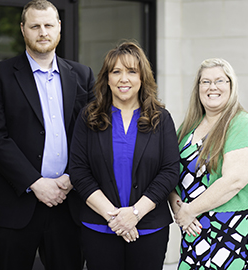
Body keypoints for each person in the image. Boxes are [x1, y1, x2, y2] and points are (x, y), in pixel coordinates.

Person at [0, 0, 94, 269]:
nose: (42, 32)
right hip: (15, 205)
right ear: (23, 29)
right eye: (35, 26)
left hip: (68, 203)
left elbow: (90, 134)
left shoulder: (81, 74)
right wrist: (36, 182)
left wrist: (72, 178)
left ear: (59, 28)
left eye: (49, 25)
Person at [69, 41, 180, 270]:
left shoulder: (161, 118)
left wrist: (135, 214)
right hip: (99, 227)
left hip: (149, 229)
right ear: (106, 78)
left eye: (131, 72)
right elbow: (79, 171)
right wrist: (115, 218)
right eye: (116, 72)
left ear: (142, 78)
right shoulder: (89, 117)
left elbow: (169, 171)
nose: (123, 79)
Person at [168, 58, 248, 269]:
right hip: (196, 233)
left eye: (220, 81)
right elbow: (170, 172)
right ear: (198, 88)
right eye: (205, 82)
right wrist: (179, 209)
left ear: (231, 86)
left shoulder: (242, 125)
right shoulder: (188, 127)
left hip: (236, 233)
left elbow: (234, 181)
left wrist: (190, 211)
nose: (212, 87)